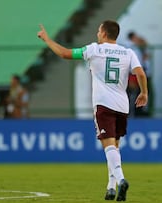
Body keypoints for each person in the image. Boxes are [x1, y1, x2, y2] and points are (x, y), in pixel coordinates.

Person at [37, 20, 148, 201]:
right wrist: (144, 93)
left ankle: (121, 180)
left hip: (103, 105)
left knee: (108, 146)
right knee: (114, 147)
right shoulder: (128, 52)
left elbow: (65, 54)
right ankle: (111, 188)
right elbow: (141, 74)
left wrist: (47, 40)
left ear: (104, 33)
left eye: (98, 31)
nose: (97, 34)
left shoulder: (94, 49)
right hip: (122, 105)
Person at [126, 31, 152, 117]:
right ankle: (133, 113)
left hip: (140, 72)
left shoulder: (140, 47)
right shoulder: (131, 48)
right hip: (134, 73)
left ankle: (139, 111)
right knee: (134, 93)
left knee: (142, 93)